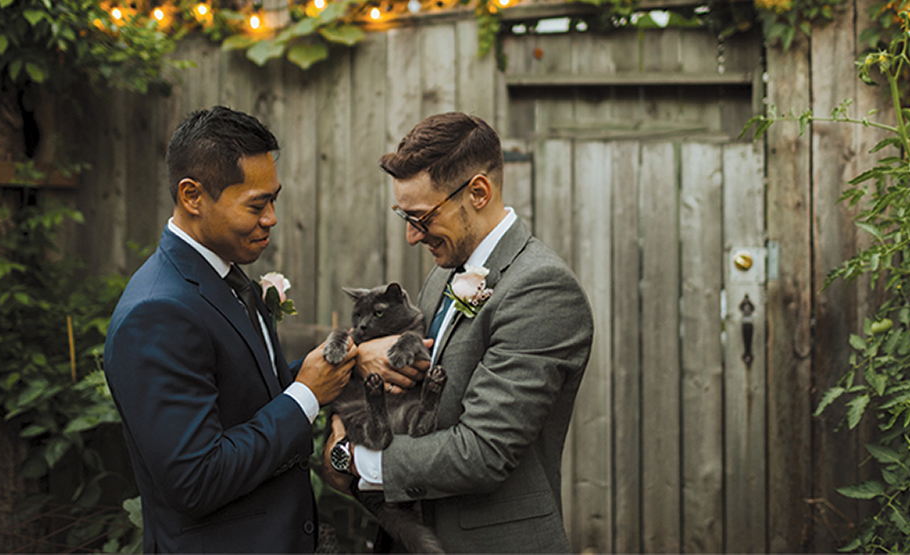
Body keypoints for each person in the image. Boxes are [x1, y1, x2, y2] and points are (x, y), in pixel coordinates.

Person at [323, 112, 594, 552]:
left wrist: (353, 459)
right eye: (403, 216)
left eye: (421, 217)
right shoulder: (444, 274)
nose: (412, 236)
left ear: (478, 192)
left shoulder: (542, 288)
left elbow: (483, 451)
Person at [105, 105, 357, 553]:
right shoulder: (157, 311)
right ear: (192, 197)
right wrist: (307, 396)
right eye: (257, 205)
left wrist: (346, 365)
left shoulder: (223, 275)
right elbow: (197, 478)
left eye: (274, 199)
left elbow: (247, 395)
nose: (272, 218)